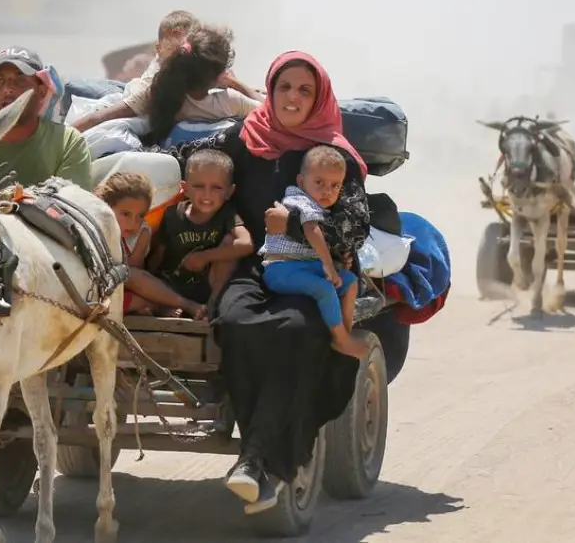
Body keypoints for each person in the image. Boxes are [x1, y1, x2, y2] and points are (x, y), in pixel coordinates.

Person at [153, 50, 374, 514]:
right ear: (270, 91)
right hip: (253, 266)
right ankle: (259, 462)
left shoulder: (333, 155)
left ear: (319, 98)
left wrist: (291, 225)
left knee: (295, 331)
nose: (293, 97)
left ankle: (258, 462)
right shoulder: (243, 137)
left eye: (304, 90)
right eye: (284, 87)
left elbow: (355, 228)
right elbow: (188, 162)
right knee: (234, 322)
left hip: (312, 270)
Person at [72, 13, 262, 136]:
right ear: (219, 76)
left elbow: (98, 118)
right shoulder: (228, 101)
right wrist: (235, 83)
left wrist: (64, 138)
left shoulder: (157, 92)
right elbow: (268, 108)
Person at [259, 145, 369, 358]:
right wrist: (329, 266)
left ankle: (344, 333)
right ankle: (341, 339)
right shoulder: (299, 200)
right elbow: (311, 230)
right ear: (301, 182)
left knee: (350, 281)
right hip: (281, 269)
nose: (327, 191)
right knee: (324, 288)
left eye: (335, 186)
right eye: (319, 183)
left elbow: (352, 232)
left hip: (306, 266)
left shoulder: (322, 207)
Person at [0, 46, 91, 190]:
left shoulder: (67, 143)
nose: (7, 90)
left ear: (41, 91)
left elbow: (73, 200)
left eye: (20, 81)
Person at [147, 149, 252, 314]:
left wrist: (203, 257)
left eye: (216, 187)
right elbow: (158, 255)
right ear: (185, 188)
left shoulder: (226, 215)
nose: (206, 194)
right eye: (198, 186)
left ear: (229, 192)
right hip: (172, 285)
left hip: (207, 288)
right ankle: (168, 306)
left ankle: (212, 307)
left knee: (230, 241)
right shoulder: (172, 215)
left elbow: (246, 244)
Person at [94, 170, 206, 318]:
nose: (133, 223)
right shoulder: (96, 231)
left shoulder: (135, 235)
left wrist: (142, 241)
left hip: (121, 290)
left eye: (140, 216)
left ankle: (178, 304)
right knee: (133, 288)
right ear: (106, 208)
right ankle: (160, 306)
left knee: (133, 277)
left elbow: (135, 272)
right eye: (125, 214)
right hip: (97, 294)